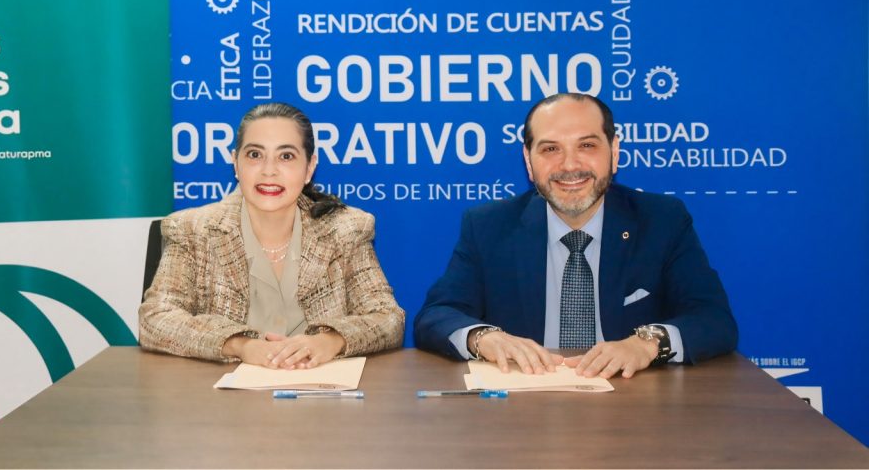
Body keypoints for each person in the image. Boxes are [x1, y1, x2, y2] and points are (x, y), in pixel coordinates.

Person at [414, 92, 737, 379]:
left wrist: (646, 344)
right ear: (528, 161)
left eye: (587, 146)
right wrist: (484, 338)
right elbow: (435, 316)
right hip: (524, 402)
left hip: (632, 401)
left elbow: (714, 319)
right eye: (550, 149)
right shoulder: (488, 225)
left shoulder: (662, 220)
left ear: (614, 151)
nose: (569, 165)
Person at [140, 102, 404, 368]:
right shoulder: (192, 230)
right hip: (223, 392)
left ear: (309, 168)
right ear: (235, 162)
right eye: (255, 155)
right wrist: (240, 345)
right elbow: (156, 319)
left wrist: (330, 341)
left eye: (286, 156)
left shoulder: (346, 229)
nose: (269, 170)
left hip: (319, 389)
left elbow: (388, 318)